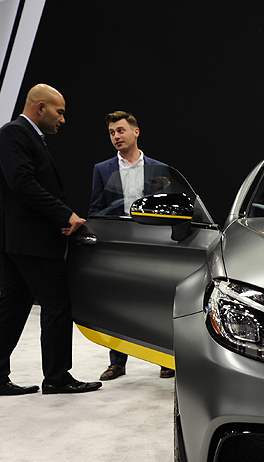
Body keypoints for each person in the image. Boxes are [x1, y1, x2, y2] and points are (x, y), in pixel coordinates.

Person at [0, 84, 102, 397]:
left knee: (12, 308)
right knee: (57, 305)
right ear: (40, 107)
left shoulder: (26, 136)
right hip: (28, 240)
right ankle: (57, 378)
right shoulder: (14, 133)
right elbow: (22, 183)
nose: (63, 119)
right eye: (59, 112)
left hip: (22, 239)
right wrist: (64, 214)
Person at [88, 110, 174, 380]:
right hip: (119, 243)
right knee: (116, 302)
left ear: (135, 132)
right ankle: (117, 362)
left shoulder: (159, 169)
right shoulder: (102, 170)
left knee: (158, 299)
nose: (116, 136)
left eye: (121, 130)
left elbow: (170, 209)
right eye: (112, 132)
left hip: (153, 243)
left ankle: (165, 358)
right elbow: (96, 209)